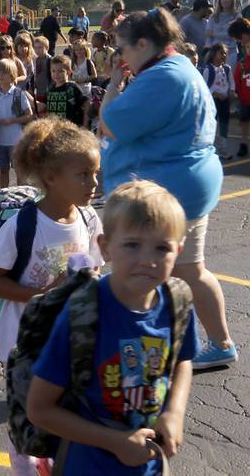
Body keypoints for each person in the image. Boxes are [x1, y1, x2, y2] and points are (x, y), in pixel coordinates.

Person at [27, 179, 198, 474]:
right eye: (132, 245)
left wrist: (174, 412)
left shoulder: (176, 302)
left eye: (161, 248)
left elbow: (183, 360)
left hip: (148, 463)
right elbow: (40, 409)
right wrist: (115, 441)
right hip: (88, 464)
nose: (147, 260)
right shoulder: (83, 314)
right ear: (105, 247)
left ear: (178, 251)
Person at [100, 7, 237, 370]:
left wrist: (114, 85)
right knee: (189, 270)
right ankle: (219, 343)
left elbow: (110, 123)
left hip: (168, 190)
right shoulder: (178, 68)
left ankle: (149, 356)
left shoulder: (161, 77)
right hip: (188, 183)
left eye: (123, 49)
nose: (121, 57)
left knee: (145, 273)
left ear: (143, 43)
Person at [0, 117, 102, 474]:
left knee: (62, 411)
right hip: (24, 341)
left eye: (95, 173)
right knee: (25, 419)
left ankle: (52, 464)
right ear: (51, 178)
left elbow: (93, 272)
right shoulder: (21, 226)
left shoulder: (88, 219)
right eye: (83, 174)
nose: (94, 183)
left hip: (68, 339)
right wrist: (42, 293)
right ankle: (24, 467)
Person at [0, 59, 33, 188]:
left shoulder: (18, 94)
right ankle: (4, 196)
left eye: (4, 72)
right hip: (0, 140)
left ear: (12, 75)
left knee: (19, 171)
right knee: (3, 170)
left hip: (16, 140)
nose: (0, 75)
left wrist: (12, 120)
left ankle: (20, 196)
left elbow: (29, 115)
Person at [46, 55, 89, 127]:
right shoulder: (50, 89)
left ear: (68, 72)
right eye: (53, 71)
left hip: (71, 129)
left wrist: (85, 125)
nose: (56, 74)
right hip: (54, 129)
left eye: (60, 71)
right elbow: (43, 105)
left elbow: (87, 104)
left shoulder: (72, 87)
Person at [206, 0, 242, 69]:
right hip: (215, 54)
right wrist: (209, 49)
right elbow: (208, 35)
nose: (225, 0)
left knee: (229, 77)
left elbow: (232, 35)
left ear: (232, 0)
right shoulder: (213, 16)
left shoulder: (237, 16)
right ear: (219, 1)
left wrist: (214, 34)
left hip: (231, 53)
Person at [234, 36, 250, 158]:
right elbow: (236, 80)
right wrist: (239, 94)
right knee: (243, 123)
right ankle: (243, 145)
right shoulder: (242, 63)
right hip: (245, 99)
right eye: (248, 47)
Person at [32, 37, 52, 111]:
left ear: (47, 47)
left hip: (47, 92)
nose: (37, 50)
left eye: (40, 47)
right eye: (35, 48)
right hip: (38, 91)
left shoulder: (50, 60)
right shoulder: (36, 60)